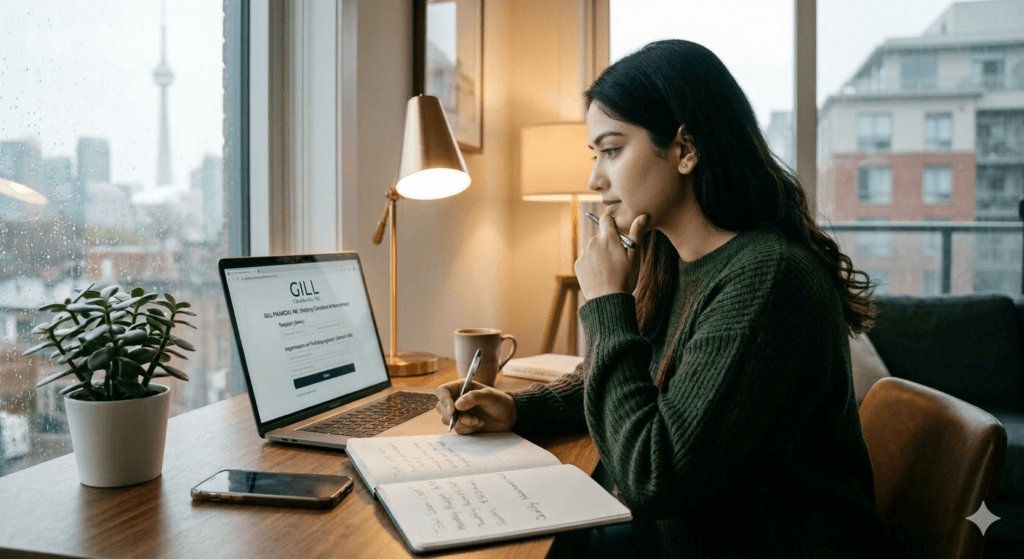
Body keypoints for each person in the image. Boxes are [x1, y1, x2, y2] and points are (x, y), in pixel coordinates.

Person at [435, 39, 920, 558]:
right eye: (595, 154)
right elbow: (637, 382)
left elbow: (654, 476)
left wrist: (605, 305)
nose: (595, 178)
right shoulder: (674, 258)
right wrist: (515, 408)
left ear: (685, 150)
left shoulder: (766, 280)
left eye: (612, 150)